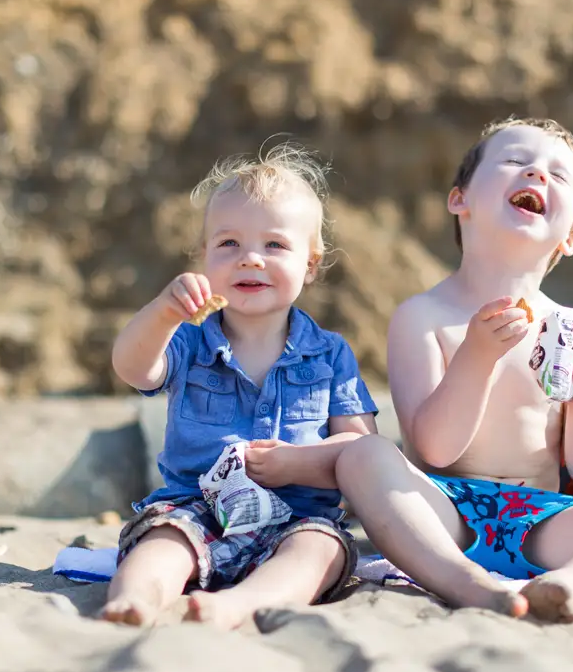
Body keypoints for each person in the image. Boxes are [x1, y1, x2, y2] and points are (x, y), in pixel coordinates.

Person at [335, 118, 573, 622]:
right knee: (363, 456)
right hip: (443, 512)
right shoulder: (424, 316)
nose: (537, 174)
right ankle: (467, 582)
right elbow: (436, 449)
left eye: (558, 175)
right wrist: (476, 358)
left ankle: (568, 585)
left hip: (542, 519)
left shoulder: (570, 327)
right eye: (513, 160)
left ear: (571, 238)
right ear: (460, 199)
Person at [102, 143, 378, 628]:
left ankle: (237, 605)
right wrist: (164, 312)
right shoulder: (186, 341)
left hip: (297, 515)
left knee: (319, 552)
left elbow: (362, 448)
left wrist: (300, 462)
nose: (250, 259)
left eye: (275, 245)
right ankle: (137, 601)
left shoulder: (330, 353)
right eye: (229, 244)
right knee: (162, 543)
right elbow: (133, 368)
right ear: (204, 258)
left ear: (310, 265)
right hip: (197, 507)